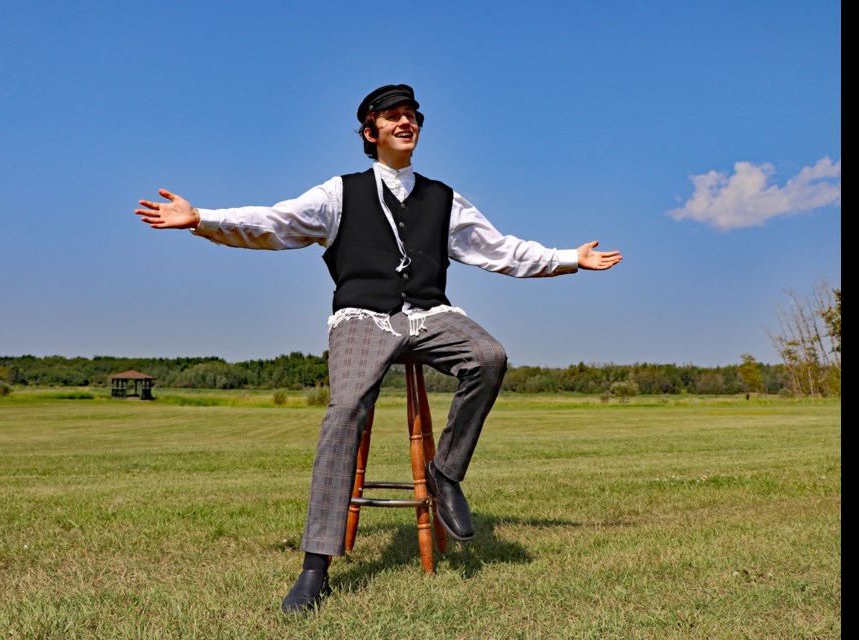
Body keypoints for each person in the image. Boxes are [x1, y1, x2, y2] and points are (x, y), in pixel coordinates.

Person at [134, 84, 622, 614]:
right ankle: (315, 566)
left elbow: (499, 250)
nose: (405, 122)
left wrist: (569, 257)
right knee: (345, 411)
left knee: (489, 356)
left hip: (431, 314)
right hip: (362, 317)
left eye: (412, 116)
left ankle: (445, 473)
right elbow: (274, 222)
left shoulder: (444, 198)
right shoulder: (338, 194)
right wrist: (202, 218)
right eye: (392, 117)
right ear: (371, 132)